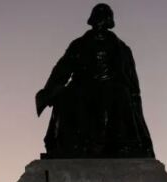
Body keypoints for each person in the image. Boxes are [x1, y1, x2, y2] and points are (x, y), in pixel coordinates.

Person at [35, 3, 155, 158]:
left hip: (112, 87)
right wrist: (50, 90)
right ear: (92, 20)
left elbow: (131, 78)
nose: (100, 22)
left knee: (119, 95)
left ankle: (122, 145)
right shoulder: (78, 44)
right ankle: (72, 145)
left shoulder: (122, 48)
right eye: (98, 17)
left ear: (109, 22)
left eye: (104, 18)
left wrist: (135, 97)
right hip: (82, 86)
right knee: (66, 96)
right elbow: (62, 68)